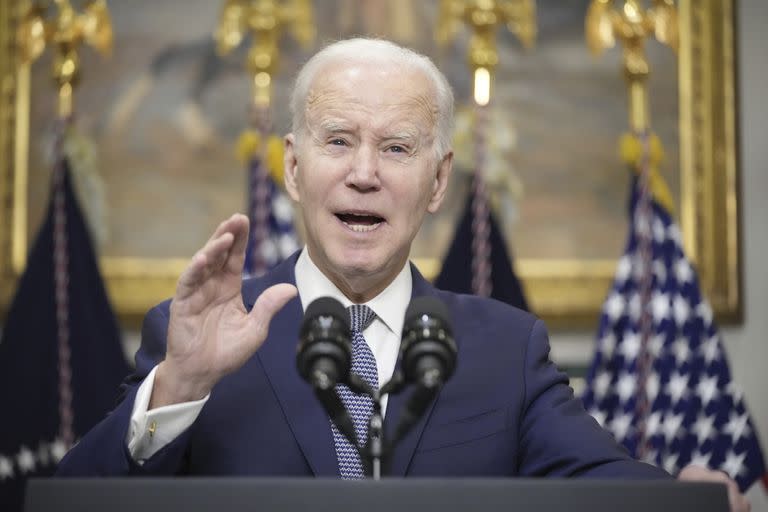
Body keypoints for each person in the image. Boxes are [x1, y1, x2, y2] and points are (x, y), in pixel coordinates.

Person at [56, 38, 748, 511]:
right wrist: (181, 383)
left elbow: (613, 486)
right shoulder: (201, 337)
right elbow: (75, 501)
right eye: (338, 141)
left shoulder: (507, 351)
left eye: (396, 147)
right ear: (293, 168)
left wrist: (686, 495)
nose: (364, 174)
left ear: (439, 180)